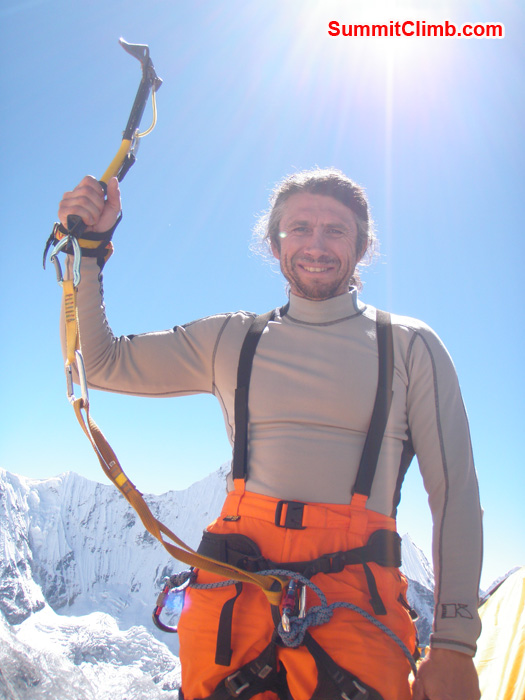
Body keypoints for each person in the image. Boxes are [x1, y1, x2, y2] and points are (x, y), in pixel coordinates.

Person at [57, 168, 483, 700]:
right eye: (299, 227)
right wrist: (89, 251)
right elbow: (98, 362)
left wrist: (453, 645)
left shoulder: (412, 347)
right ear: (273, 240)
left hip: (353, 602)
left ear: (364, 245)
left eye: (336, 230)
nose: (317, 245)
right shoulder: (231, 339)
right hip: (234, 588)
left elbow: (456, 497)